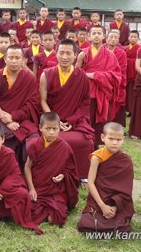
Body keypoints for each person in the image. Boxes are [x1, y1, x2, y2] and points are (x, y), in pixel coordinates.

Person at [40, 39, 95, 180]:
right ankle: (52, 171)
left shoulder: (81, 75)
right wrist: (54, 121)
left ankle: (81, 174)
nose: (65, 57)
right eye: (61, 53)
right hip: (52, 119)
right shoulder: (46, 74)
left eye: (68, 53)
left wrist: (72, 120)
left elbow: (85, 102)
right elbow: (42, 101)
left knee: (86, 142)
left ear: (75, 55)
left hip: (75, 120)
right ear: (56, 54)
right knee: (51, 138)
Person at [77, 123, 134, 233]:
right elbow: (91, 183)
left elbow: (126, 189)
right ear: (103, 137)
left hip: (117, 200)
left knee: (122, 227)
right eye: (111, 138)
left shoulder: (126, 161)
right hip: (99, 198)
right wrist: (103, 206)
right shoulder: (97, 157)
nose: (114, 142)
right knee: (86, 224)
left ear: (123, 139)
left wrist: (116, 207)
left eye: (118, 139)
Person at [24, 112, 79, 225]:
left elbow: (71, 170)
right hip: (37, 189)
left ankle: (47, 213)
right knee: (25, 209)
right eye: (47, 128)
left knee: (55, 219)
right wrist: (31, 188)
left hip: (54, 191)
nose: (51, 132)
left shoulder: (64, 147)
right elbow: (27, 167)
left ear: (60, 128)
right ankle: (44, 211)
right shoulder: (34, 144)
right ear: (40, 128)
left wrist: (63, 176)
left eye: (55, 128)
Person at [0, 45, 40, 162]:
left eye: (17, 58)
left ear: (23, 60)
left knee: (34, 139)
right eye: (11, 57)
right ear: (5, 58)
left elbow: (32, 103)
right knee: (6, 137)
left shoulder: (29, 77)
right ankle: (7, 169)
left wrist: (13, 117)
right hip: (0, 117)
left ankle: (25, 170)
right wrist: (6, 119)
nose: (14, 61)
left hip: (23, 118)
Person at [76, 25, 121, 146]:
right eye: (94, 33)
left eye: (99, 33)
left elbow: (115, 75)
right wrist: (88, 76)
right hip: (86, 92)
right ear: (89, 37)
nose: (96, 35)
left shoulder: (110, 55)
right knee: (86, 118)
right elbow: (76, 73)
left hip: (102, 91)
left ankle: (99, 142)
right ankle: (86, 142)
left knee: (101, 122)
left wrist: (94, 75)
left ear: (104, 36)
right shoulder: (82, 54)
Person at [106, 31, 127, 127]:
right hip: (103, 81)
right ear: (106, 39)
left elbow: (122, 69)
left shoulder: (121, 53)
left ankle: (116, 125)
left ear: (118, 40)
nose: (113, 39)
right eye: (111, 37)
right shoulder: (101, 49)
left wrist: (113, 79)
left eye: (115, 37)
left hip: (116, 82)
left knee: (117, 102)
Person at [124, 30, 141, 114]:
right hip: (126, 73)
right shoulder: (125, 48)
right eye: (131, 37)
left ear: (138, 38)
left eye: (135, 37)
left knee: (133, 92)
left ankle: (132, 110)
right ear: (128, 38)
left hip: (135, 74)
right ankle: (125, 108)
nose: (133, 39)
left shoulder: (140, 49)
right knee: (126, 91)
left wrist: (128, 61)